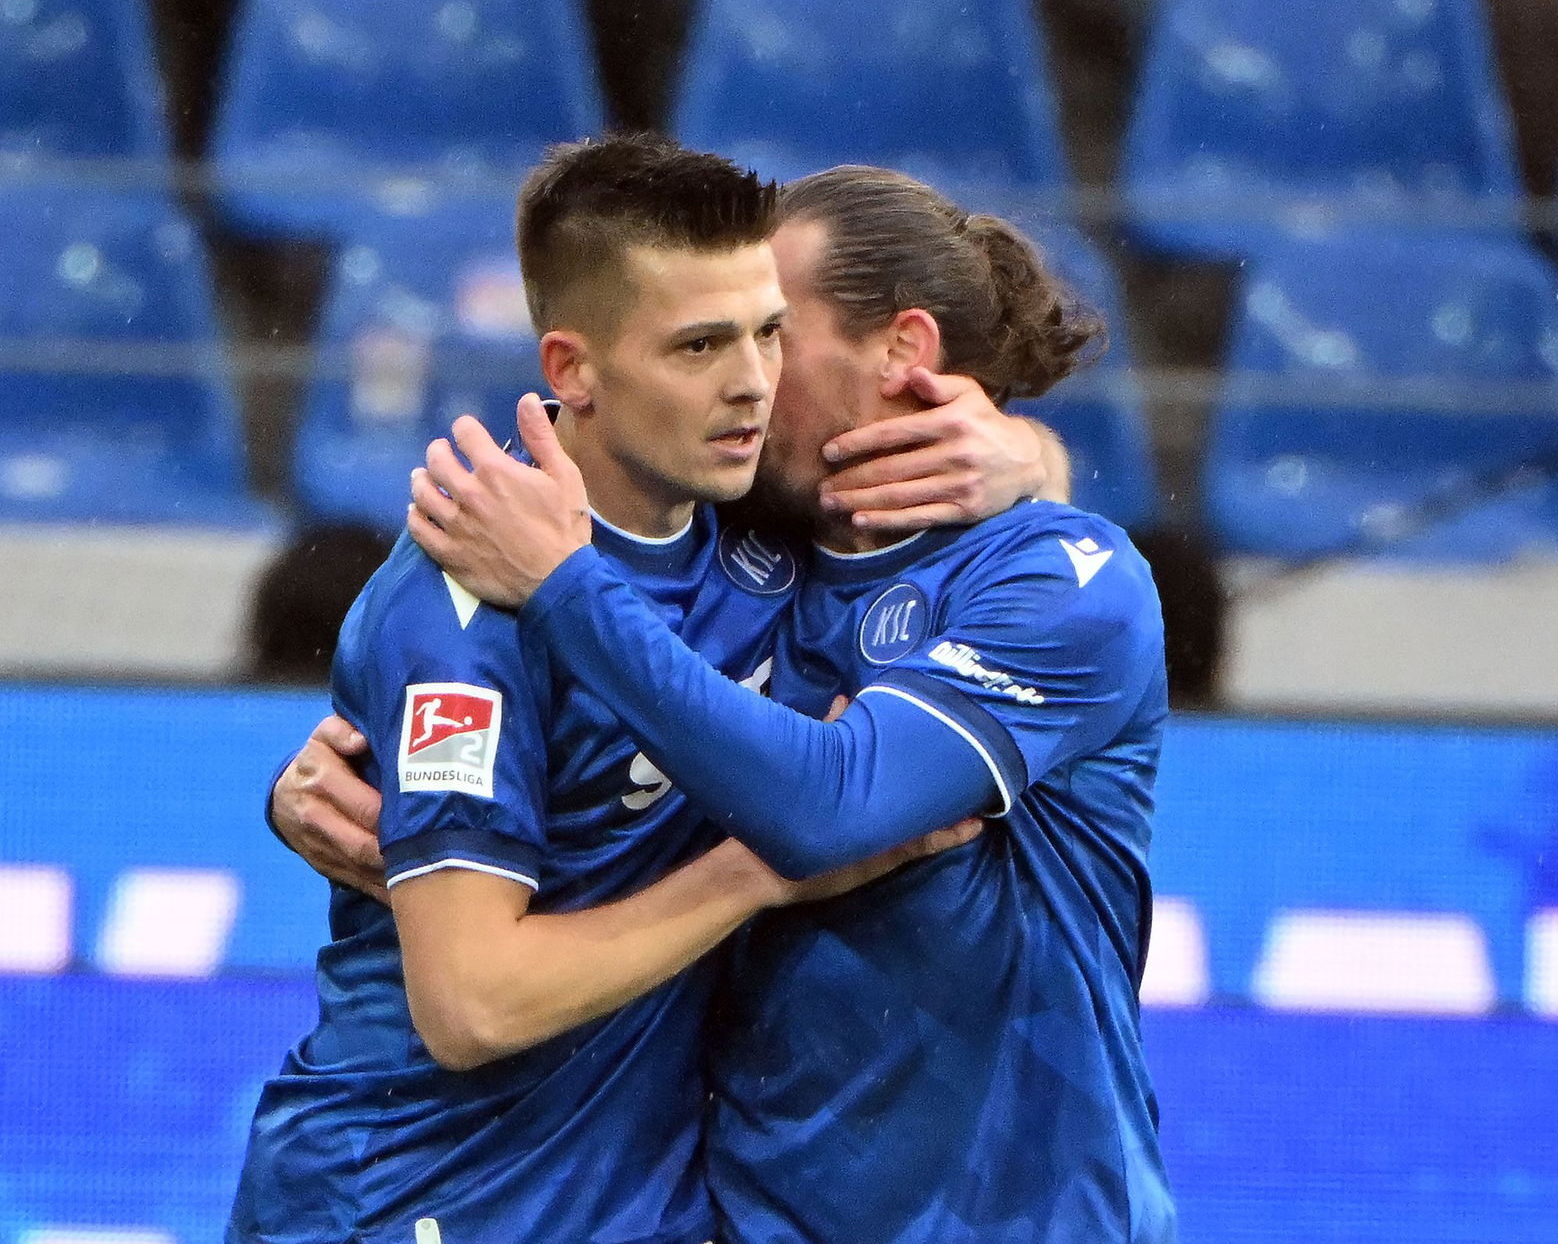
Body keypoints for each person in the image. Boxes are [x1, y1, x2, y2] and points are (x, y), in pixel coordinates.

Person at [278, 164, 1175, 1242]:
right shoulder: (730, 543)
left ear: (905, 350)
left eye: (773, 332)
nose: (750, 377)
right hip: (599, 1209)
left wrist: (1035, 454)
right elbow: (478, 972)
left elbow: (821, 807)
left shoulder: (1058, 577)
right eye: (716, 340)